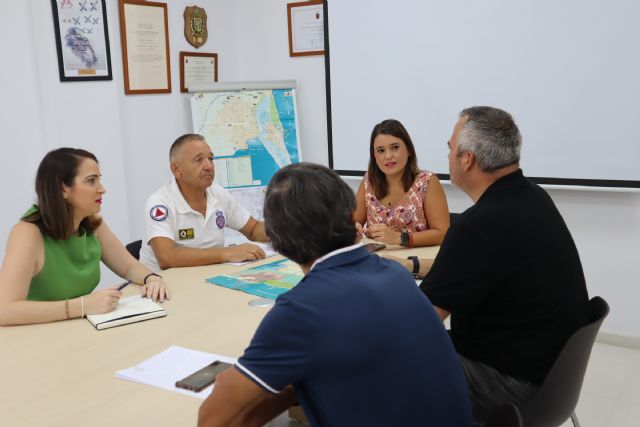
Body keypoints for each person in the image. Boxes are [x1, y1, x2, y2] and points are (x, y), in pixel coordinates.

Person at [198, 163, 472, 427]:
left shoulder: (300, 311)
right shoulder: (394, 273)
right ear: (353, 215)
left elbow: (212, 419)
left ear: (279, 242)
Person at [395, 107, 590, 425]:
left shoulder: (480, 225)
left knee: (388, 354)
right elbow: (481, 271)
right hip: (553, 379)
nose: (447, 156)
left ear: (467, 159)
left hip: (512, 386)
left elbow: (421, 320)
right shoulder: (533, 198)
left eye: (449, 148)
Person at [0, 148, 171, 326]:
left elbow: (128, 266)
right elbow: (4, 310)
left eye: (99, 179)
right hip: (33, 335)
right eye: (91, 181)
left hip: (77, 328)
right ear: (62, 190)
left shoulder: (90, 220)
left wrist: (152, 279)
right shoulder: (27, 233)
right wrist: (81, 306)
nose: (102, 189)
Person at [139, 134, 268, 271]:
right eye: (199, 160)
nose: (208, 166)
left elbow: (253, 228)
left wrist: (284, 231)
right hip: (161, 285)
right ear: (177, 170)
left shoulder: (217, 193)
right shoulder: (160, 203)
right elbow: (167, 258)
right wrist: (227, 253)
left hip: (206, 279)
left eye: (210, 158)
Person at [354, 119, 450, 248]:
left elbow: (443, 234)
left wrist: (399, 238)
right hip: (379, 262)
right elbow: (353, 222)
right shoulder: (369, 181)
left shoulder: (427, 181)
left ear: (409, 150)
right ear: (374, 157)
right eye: (381, 150)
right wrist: (354, 228)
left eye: (395, 147)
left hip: (417, 263)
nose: (388, 156)